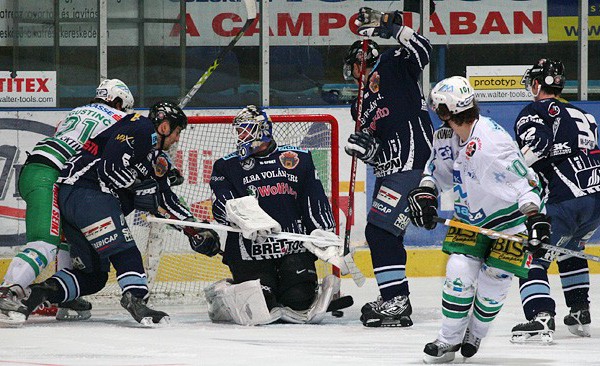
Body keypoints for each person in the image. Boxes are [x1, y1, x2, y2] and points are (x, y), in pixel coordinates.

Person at [10, 101, 221, 327]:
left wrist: (194, 228)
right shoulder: (140, 126)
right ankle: (136, 298)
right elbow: (109, 169)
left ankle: (38, 293)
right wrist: (142, 187)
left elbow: (164, 200)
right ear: (165, 126)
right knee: (125, 249)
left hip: (76, 203)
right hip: (86, 193)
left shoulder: (153, 158)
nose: (177, 139)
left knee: (94, 277)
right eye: (177, 132)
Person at [407, 76, 548, 363]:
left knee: (492, 286)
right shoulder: (445, 137)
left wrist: (535, 218)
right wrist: (426, 193)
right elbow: (436, 172)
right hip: (469, 220)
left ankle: (476, 332)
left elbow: (525, 184)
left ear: (446, 112)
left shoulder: (491, 143)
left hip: (511, 223)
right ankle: (447, 341)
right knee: (458, 270)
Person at [0, 78, 134, 325]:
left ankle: (65, 297)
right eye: (122, 106)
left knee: (65, 237)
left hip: (45, 170)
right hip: (49, 174)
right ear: (117, 101)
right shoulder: (117, 119)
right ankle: (7, 291)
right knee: (44, 242)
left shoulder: (76, 112)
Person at [206, 105, 341, 326]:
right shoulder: (227, 166)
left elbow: (314, 199)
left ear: (263, 130)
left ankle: (297, 287)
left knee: (298, 300)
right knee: (263, 302)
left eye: (246, 131)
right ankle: (224, 292)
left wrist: (325, 233)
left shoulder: (299, 159)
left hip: (293, 247)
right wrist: (247, 221)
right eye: (239, 132)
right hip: (250, 250)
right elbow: (222, 205)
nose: (242, 137)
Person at [342, 7, 434, 327]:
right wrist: (363, 151)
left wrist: (396, 30)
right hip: (388, 170)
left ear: (361, 60)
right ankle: (395, 298)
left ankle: (396, 301)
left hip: (410, 162)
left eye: (354, 67)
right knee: (384, 233)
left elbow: (424, 50)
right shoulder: (360, 103)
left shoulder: (393, 63)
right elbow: (374, 146)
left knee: (380, 232)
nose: (354, 74)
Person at [510, 59, 600, 342]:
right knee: (570, 247)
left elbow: (538, 144)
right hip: (596, 199)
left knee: (530, 254)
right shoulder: (585, 115)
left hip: (563, 198)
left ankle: (540, 317)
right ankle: (579, 311)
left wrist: (511, 174)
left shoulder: (533, 112)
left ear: (538, 84)